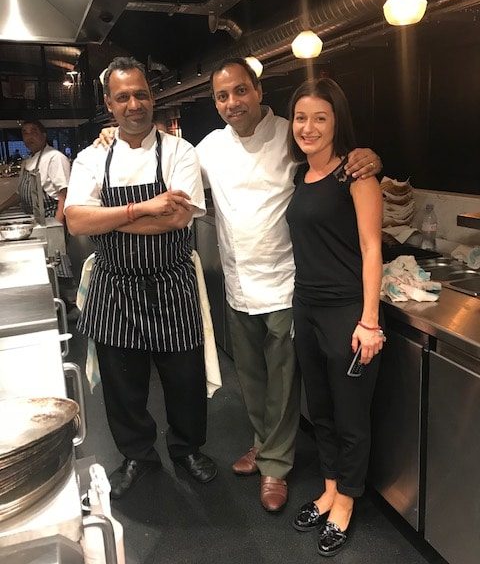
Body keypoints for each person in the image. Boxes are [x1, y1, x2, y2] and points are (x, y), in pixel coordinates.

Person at [95, 58, 381, 511]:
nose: (233, 102)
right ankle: (265, 443)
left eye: (241, 91)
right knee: (251, 380)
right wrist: (115, 139)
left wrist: (369, 156)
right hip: (238, 284)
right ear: (215, 102)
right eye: (222, 96)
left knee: (283, 385)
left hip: (288, 283)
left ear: (258, 90)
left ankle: (276, 467)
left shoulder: (291, 134)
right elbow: (167, 173)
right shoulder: (206, 149)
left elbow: (336, 160)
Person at [64, 56, 217, 499]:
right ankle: (137, 455)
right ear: (109, 105)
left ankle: (187, 449)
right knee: (122, 385)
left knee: (184, 379)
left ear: (153, 98)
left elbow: (177, 221)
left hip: (172, 282)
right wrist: (146, 207)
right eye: (123, 97)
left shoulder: (179, 151)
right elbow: (75, 221)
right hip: (115, 286)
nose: (134, 104)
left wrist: (107, 218)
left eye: (142, 94)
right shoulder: (93, 157)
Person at [285, 78, 384, 557]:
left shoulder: (357, 175)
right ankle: (328, 487)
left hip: (346, 311)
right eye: (301, 117)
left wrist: (369, 320)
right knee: (319, 408)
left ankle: (346, 500)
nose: (308, 127)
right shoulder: (299, 176)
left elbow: (371, 249)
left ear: (336, 122)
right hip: (306, 307)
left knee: (350, 417)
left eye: (320, 117)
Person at [0, 120, 70, 223]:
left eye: (34, 132)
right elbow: (20, 194)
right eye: (25, 133)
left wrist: (57, 226)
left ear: (44, 135)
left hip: (51, 220)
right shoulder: (27, 162)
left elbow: (65, 194)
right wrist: (1, 207)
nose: (29, 137)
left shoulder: (54, 157)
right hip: (35, 221)